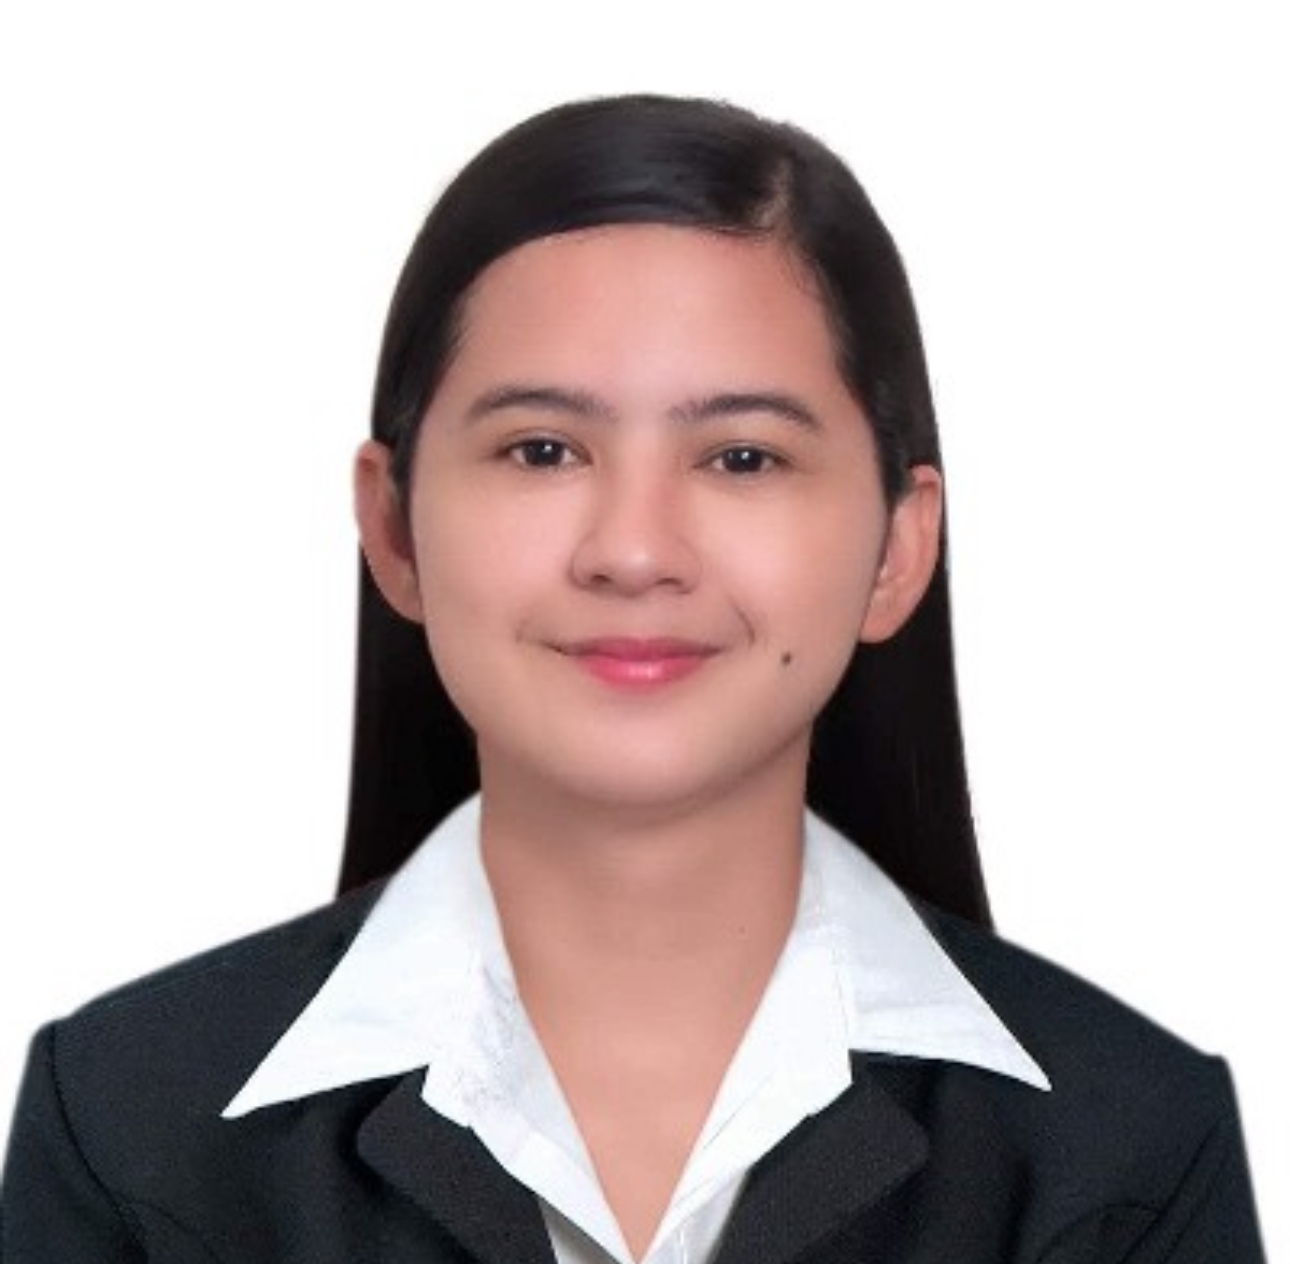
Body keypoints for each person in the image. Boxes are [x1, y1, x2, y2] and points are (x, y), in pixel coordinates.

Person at [1, 94, 1265, 1262]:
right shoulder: (127, 1127)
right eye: (543, 449)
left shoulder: (1130, 1155)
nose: (635, 550)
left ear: (898, 546)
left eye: (743, 458)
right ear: (393, 529)